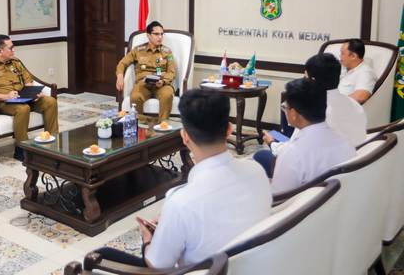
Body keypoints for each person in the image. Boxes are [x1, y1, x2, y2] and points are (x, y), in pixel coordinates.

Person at [95, 90, 271, 268]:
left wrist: (148, 240)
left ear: (185, 136)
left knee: (100, 256)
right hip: (255, 266)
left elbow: (158, 266)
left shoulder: (180, 202)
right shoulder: (257, 171)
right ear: (229, 130)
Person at [0, 35, 59, 161]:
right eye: (11, 48)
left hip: (23, 98)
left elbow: (28, 81)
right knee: (23, 109)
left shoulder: (16, 63)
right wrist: (5, 96)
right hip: (3, 102)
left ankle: (52, 141)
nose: (14, 50)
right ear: (0, 51)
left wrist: (33, 93)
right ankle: (22, 148)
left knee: (50, 101)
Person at [269, 78, 355, 194]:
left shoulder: (292, 153)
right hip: (335, 198)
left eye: (285, 107)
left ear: (293, 114)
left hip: (302, 203)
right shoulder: (345, 139)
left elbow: (279, 197)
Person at [116, 21, 176, 120]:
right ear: (148, 35)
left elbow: (171, 71)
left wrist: (163, 81)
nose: (160, 37)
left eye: (162, 34)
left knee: (167, 95)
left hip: (162, 83)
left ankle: (162, 123)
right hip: (143, 84)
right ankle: (143, 123)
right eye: (156, 34)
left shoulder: (167, 52)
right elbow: (122, 63)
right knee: (135, 97)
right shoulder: (138, 50)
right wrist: (120, 76)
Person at [338, 38, 376, 104]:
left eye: (342, 53)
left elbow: (360, 97)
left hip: (342, 108)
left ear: (353, 56)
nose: (340, 56)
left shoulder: (365, 72)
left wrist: (335, 103)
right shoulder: (343, 67)